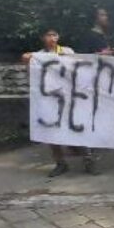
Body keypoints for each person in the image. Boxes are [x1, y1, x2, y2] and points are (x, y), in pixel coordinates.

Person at [21, 27, 98, 177]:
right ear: (43, 38)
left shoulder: (67, 51)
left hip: (69, 96)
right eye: (48, 35)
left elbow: (79, 67)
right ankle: (60, 163)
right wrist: (35, 56)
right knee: (51, 132)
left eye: (54, 35)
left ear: (58, 37)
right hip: (49, 98)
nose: (52, 38)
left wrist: (65, 58)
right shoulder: (40, 55)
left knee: (77, 128)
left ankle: (88, 161)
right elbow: (25, 59)